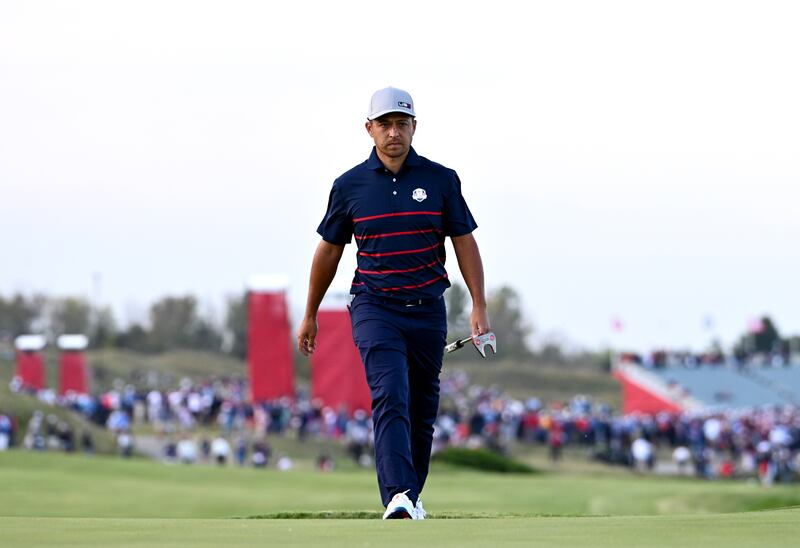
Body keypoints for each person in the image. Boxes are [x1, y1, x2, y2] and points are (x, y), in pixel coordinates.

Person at [297, 86, 489, 520]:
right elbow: (328, 251)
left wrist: (478, 305)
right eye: (384, 124)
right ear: (369, 130)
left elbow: (464, 242)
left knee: (422, 410)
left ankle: (412, 497)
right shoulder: (349, 186)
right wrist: (310, 313)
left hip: (428, 307)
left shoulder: (442, 180)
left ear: (414, 128)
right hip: (374, 306)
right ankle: (398, 495)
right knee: (391, 395)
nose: (393, 132)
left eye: (402, 123)